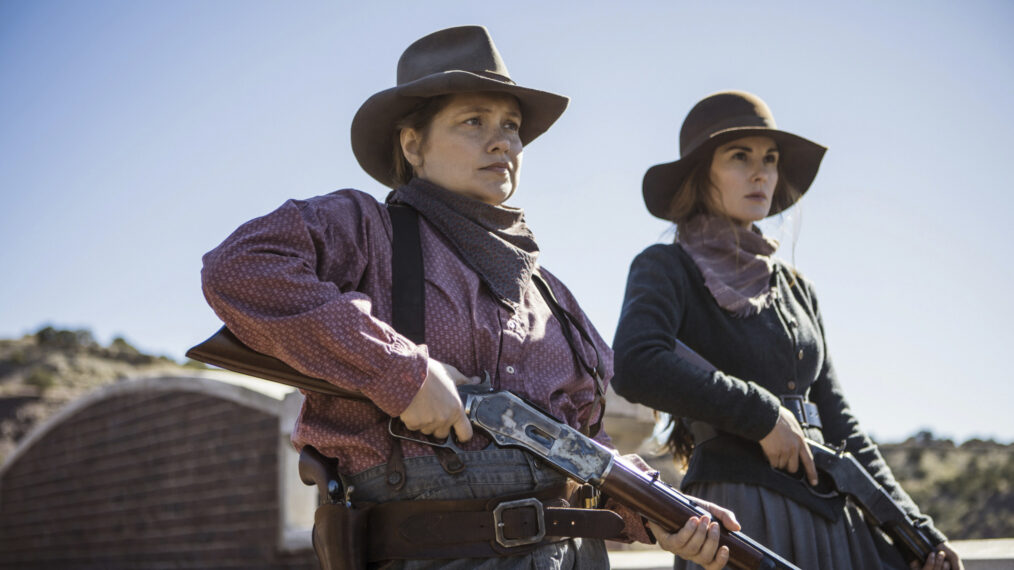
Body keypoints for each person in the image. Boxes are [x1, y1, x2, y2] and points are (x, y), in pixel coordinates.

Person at [201, 26, 736, 570]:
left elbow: (583, 448)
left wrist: (665, 512)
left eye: (511, 126)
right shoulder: (365, 230)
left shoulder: (555, 299)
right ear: (413, 144)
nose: (503, 141)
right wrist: (401, 373)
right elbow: (238, 269)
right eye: (473, 122)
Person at [611, 90, 963, 570]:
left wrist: (919, 531)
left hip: (834, 516)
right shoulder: (665, 266)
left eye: (770, 160)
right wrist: (763, 415)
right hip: (742, 516)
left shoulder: (799, 289)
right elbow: (637, 364)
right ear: (701, 174)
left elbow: (843, 427)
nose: (762, 173)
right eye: (740, 157)